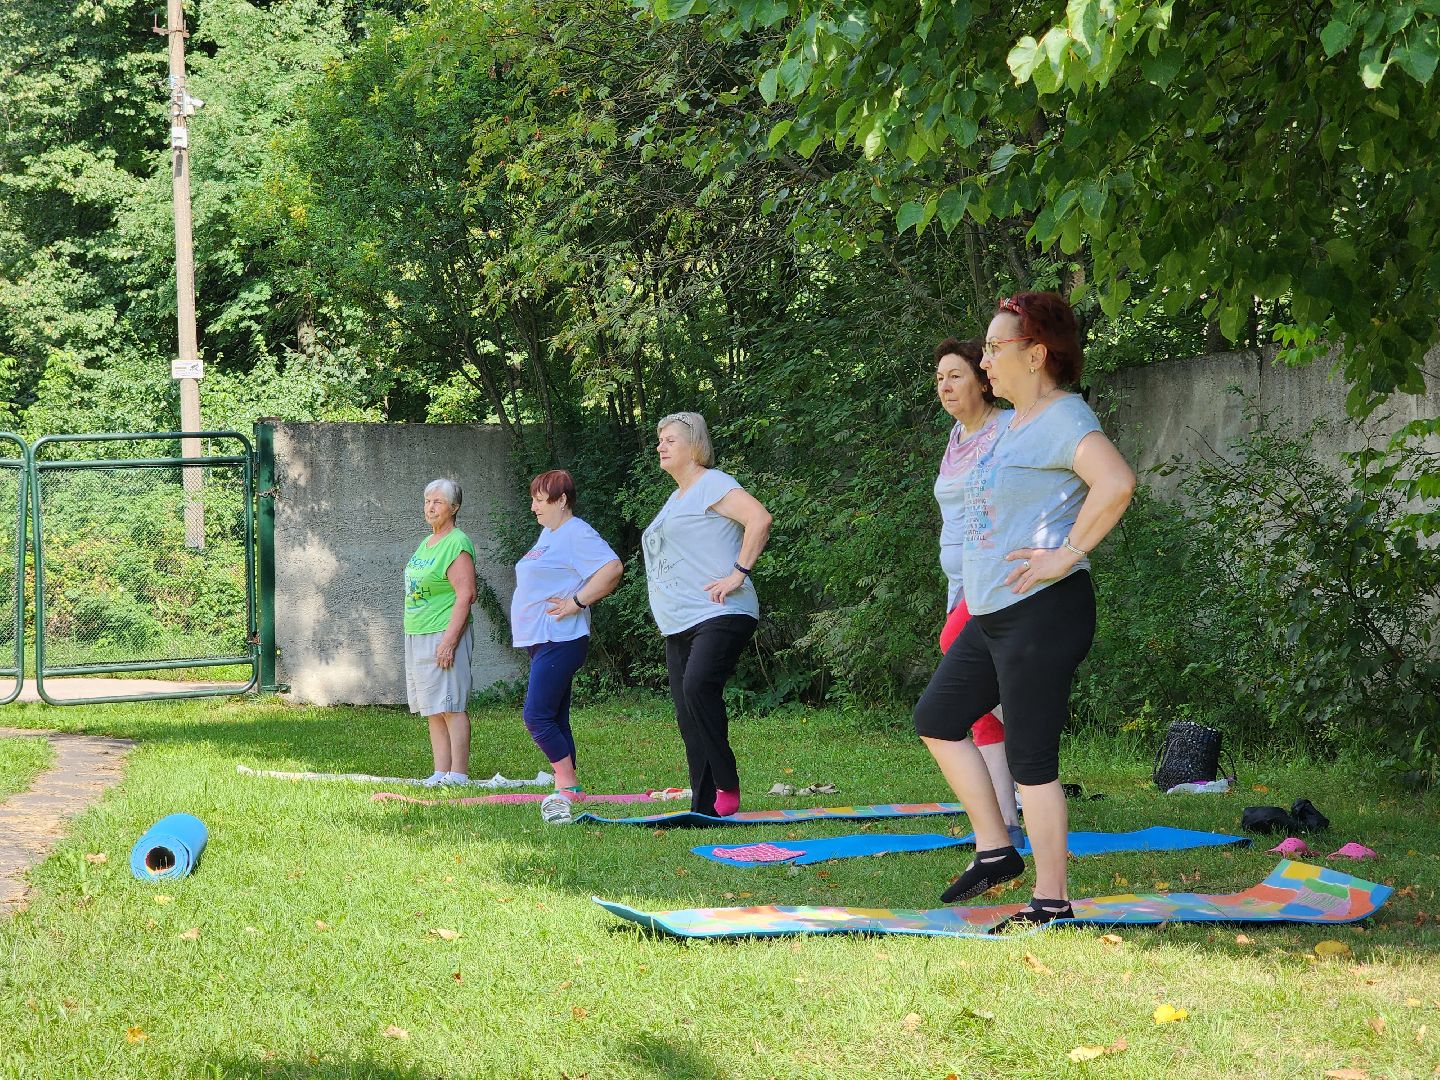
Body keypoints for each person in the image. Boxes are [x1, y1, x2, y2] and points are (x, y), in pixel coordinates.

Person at [913, 292, 1136, 927]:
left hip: (1043, 610)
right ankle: (994, 851)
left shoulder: (1064, 417)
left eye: (994, 347)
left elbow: (1116, 482)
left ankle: (1051, 900)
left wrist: (1065, 554)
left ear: (1035, 354)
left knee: (1033, 758)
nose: (983, 360)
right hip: (992, 612)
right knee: (938, 717)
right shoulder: (1011, 422)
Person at [642, 412, 772, 817]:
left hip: (721, 610)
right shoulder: (674, 499)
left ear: (694, 446)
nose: (661, 446)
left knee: (699, 687)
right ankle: (705, 808)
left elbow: (759, 518)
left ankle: (726, 784)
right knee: (687, 710)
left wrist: (738, 573)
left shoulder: (712, 483)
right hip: (679, 621)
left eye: (670, 440)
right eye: (659, 440)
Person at [931, 336, 1024, 849]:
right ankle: (1007, 819)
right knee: (980, 711)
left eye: (956, 375)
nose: (945, 385)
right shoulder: (956, 436)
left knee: (956, 658)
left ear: (983, 379)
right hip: (959, 581)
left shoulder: (1008, 430)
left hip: (994, 579)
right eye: (940, 377)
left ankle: (1032, 728)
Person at [509, 469, 624, 825]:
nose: (533, 507)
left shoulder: (577, 532)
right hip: (543, 639)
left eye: (540, 501)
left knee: (536, 715)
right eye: (533, 500)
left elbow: (612, 569)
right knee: (555, 715)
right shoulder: (550, 532)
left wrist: (578, 600)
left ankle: (568, 784)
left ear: (562, 501)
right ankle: (567, 783)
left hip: (562, 638)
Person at [404, 478, 478, 786]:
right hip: (419, 632)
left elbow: (466, 594)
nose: (430, 506)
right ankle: (440, 772)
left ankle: (458, 774)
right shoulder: (427, 542)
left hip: (443, 632)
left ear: (454, 508)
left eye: (438, 502)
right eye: (427, 501)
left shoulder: (457, 543)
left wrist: (449, 642)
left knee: (450, 704)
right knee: (433, 707)